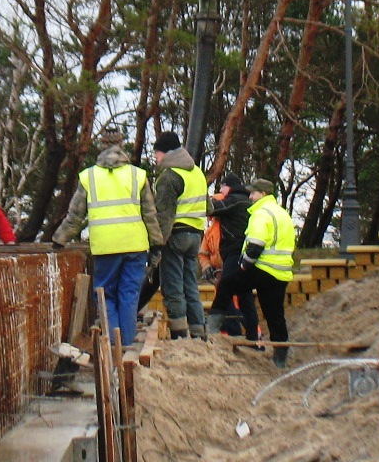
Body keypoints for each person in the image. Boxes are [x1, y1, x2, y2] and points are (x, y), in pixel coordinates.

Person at [53, 127, 164, 349]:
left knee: (105, 295)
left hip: (106, 247)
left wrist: (59, 239)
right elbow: (150, 214)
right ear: (122, 147)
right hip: (135, 245)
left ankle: (113, 345)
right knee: (130, 294)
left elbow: (75, 215)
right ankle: (127, 345)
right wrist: (157, 243)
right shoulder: (137, 175)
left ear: (101, 147)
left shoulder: (89, 177)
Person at [210, 177, 296, 368]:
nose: (250, 196)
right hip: (280, 272)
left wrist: (244, 265)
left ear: (263, 194)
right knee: (274, 313)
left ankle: (212, 329)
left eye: (253, 193)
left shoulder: (261, 213)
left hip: (262, 268)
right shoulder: (282, 214)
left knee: (227, 284)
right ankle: (281, 355)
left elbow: (256, 245)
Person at [150, 131, 209, 340]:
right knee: (190, 284)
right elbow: (208, 205)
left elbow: (164, 216)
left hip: (176, 236)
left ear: (165, 153)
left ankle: (179, 334)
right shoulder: (198, 174)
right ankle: (198, 332)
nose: (155, 159)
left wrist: (156, 245)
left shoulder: (169, 176)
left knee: (173, 286)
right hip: (196, 236)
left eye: (156, 154)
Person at [206, 173, 256, 338]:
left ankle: (214, 327)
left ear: (229, 187)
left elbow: (212, 208)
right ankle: (252, 337)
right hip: (244, 253)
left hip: (235, 252)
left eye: (222, 187)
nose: (221, 190)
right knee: (244, 295)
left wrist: (209, 197)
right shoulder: (245, 201)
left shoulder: (234, 200)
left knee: (225, 287)